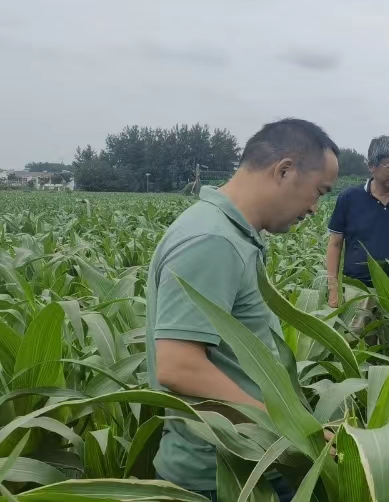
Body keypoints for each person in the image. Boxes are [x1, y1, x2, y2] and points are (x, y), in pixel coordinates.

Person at [145, 118, 340, 500]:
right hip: (223, 476)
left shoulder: (226, 232)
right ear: (284, 170)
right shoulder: (212, 239)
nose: (315, 209)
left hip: (249, 463)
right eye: (318, 192)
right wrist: (289, 427)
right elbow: (179, 366)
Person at [326, 136, 389, 337]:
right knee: (353, 340)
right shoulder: (349, 198)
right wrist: (333, 289)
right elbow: (335, 244)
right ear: (371, 166)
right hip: (358, 290)